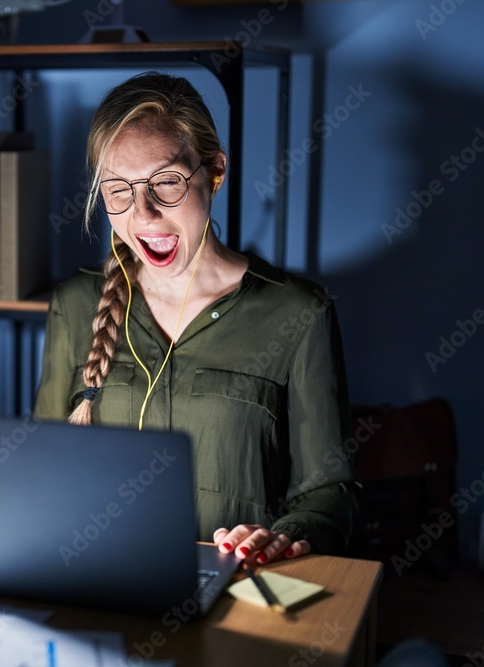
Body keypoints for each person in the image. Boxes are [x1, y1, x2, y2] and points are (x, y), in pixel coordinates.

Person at [33, 72, 358, 563]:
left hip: (241, 592)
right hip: (100, 582)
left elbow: (330, 490)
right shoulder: (75, 304)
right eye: (119, 188)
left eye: (166, 182)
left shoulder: (299, 314)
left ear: (214, 172)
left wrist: (285, 535)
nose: (143, 214)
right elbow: (43, 468)